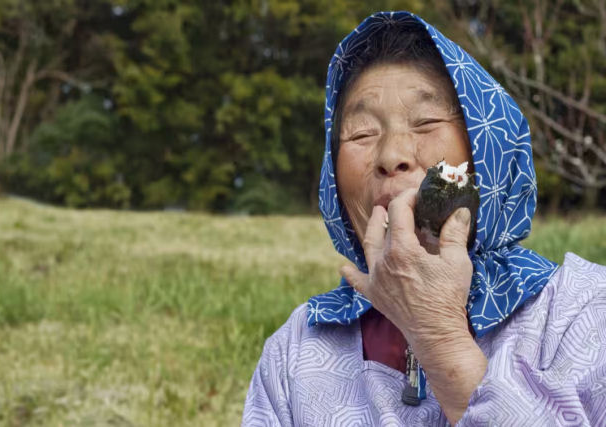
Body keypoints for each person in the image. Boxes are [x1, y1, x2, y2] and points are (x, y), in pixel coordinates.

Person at [242, 11, 606, 426]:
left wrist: (440, 336)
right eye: (361, 133)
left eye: (427, 122)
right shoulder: (296, 350)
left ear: (487, 149)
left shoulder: (585, 313)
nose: (392, 155)